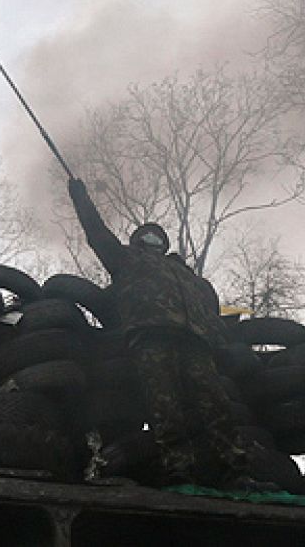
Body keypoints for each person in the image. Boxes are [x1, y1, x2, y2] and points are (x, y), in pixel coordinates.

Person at [67, 178, 251, 487]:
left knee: (216, 403)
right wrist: (80, 196)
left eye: (157, 235)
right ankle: (179, 471)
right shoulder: (126, 260)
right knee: (165, 406)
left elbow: (210, 310)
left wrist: (217, 339)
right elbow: (97, 234)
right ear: (137, 241)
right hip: (150, 336)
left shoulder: (185, 274)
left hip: (195, 340)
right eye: (146, 234)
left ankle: (237, 470)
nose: (153, 237)